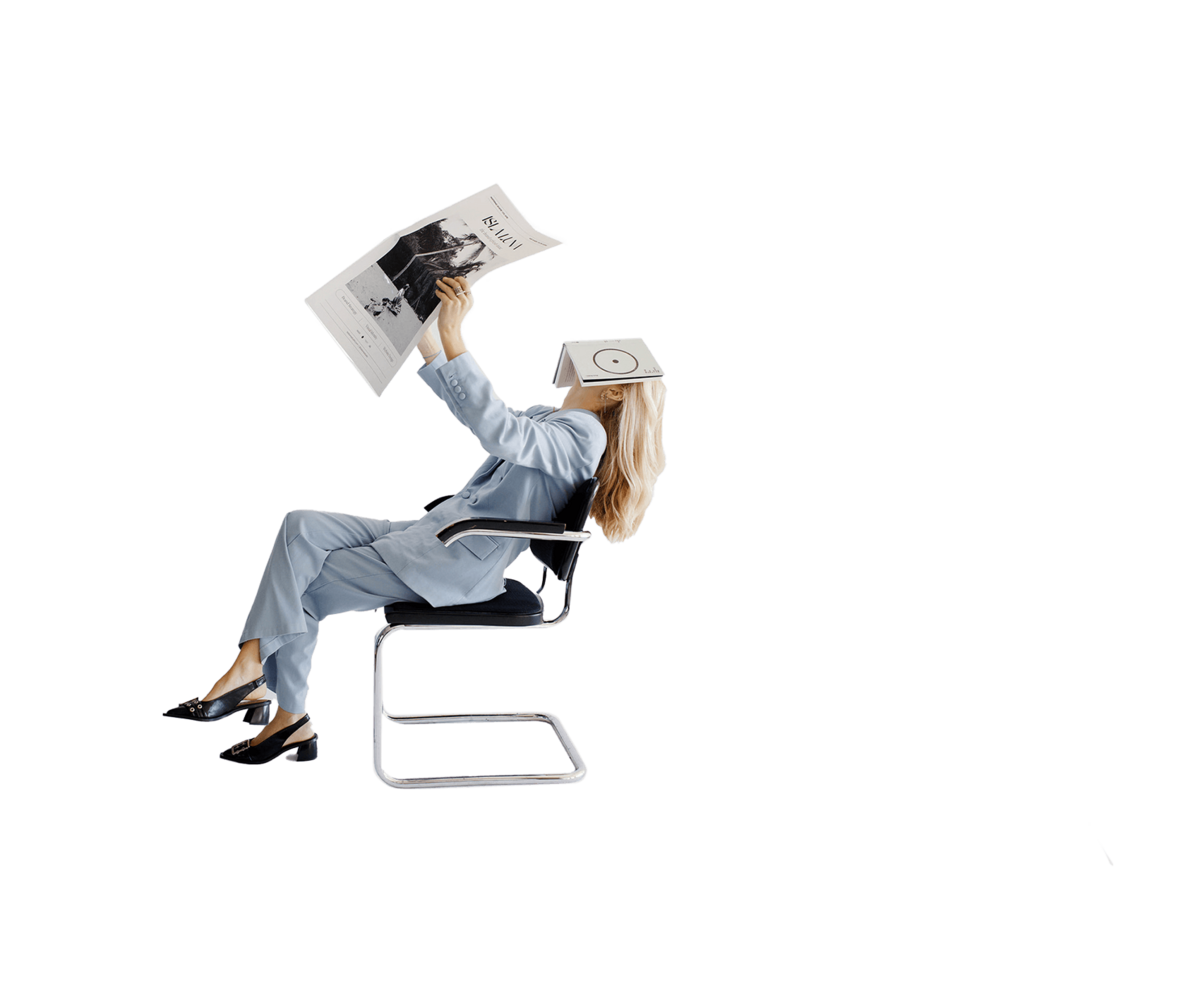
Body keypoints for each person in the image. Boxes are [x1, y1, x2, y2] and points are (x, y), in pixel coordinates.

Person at [162, 275, 668, 767]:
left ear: (615, 392)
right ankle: (269, 692)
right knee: (302, 525)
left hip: (452, 560)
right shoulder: (551, 417)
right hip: (431, 534)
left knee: (303, 586)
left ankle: (276, 699)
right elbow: (479, 411)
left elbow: (497, 431)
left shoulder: (584, 435)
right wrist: (429, 338)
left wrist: (455, 335)